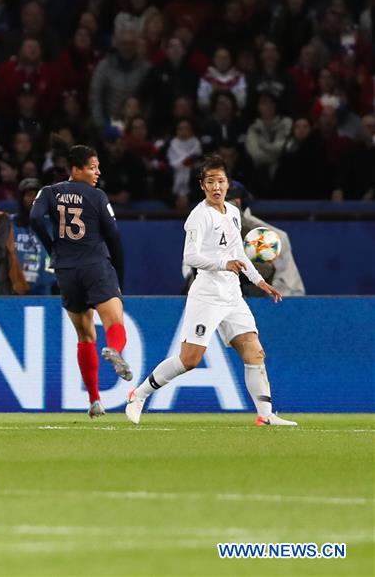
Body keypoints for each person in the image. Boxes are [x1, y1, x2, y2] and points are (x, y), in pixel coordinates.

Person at [125, 155, 296, 427]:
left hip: (233, 294)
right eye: (211, 182)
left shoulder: (233, 213)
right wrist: (223, 264)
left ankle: (265, 415)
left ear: (227, 184)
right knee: (190, 360)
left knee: (254, 351)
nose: (216, 187)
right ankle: (139, 394)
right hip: (207, 295)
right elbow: (190, 256)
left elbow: (239, 253)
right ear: (202, 185)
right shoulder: (199, 216)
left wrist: (258, 281)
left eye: (221, 181)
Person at [29, 145, 131, 419]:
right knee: (114, 321)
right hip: (95, 265)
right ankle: (115, 350)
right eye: (92, 167)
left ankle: (95, 399)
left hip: (66, 270)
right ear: (75, 170)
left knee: (85, 335)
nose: (98, 173)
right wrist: (119, 277)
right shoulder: (97, 196)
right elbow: (113, 236)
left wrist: (53, 248)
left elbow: (35, 218)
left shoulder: (49, 192)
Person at [11, 178, 55, 295]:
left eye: (37, 195)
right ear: (21, 199)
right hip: (13, 291)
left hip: (45, 291)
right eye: (29, 195)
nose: (34, 199)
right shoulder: (8, 224)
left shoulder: (53, 225)